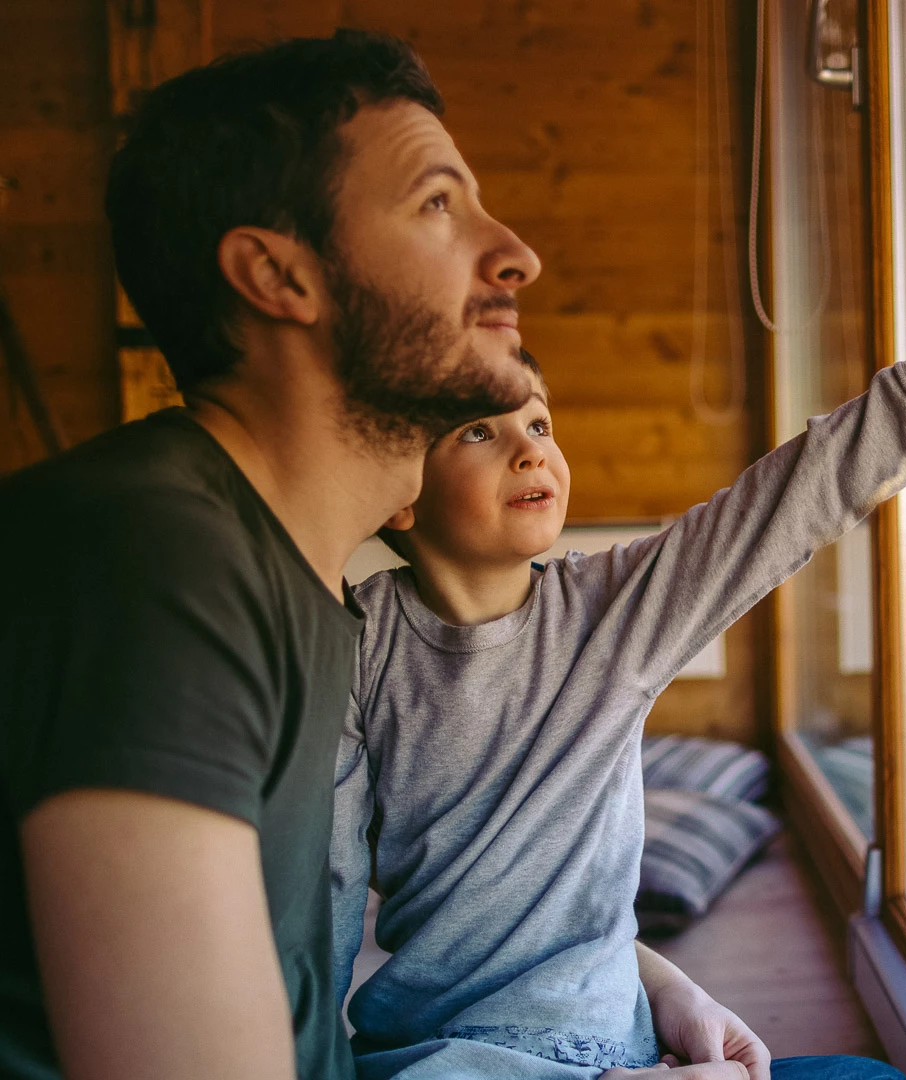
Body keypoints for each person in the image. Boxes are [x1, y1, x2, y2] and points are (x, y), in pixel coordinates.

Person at [329, 245, 906, 1080]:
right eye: (482, 430)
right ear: (400, 488)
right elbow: (325, 901)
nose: (531, 452)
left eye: (540, 423)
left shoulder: (612, 612)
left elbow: (787, 501)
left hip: (615, 1042)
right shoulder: (355, 646)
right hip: (439, 1062)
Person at [0, 30, 541, 1080]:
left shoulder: (303, 576)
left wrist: (648, 981)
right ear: (277, 276)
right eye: (438, 204)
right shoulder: (153, 564)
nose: (516, 252)